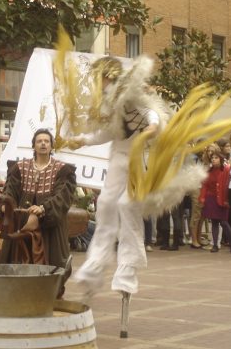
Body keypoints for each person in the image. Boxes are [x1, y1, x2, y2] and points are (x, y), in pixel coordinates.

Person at [69, 56, 164, 299]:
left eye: (98, 76)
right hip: (119, 156)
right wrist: (85, 141)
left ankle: (128, 269)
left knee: (127, 205)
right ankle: (96, 263)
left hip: (139, 156)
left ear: (107, 75)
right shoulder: (106, 102)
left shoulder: (129, 93)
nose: (96, 81)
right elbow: (110, 132)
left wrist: (153, 126)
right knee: (106, 203)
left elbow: (150, 111)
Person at [1, 129, 76, 296]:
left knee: (51, 259)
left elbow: (63, 195)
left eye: (47, 141)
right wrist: (7, 203)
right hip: (23, 221)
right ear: (33, 145)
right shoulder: (19, 167)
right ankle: (19, 291)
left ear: (51, 146)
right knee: (19, 255)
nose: (43, 143)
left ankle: (49, 293)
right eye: (39, 141)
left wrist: (44, 208)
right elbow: (10, 189)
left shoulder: (63, 170)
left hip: (49, 224)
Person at [199, 152, 231, 253]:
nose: (213, 160)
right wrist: (202, 198)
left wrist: (227, 199)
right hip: (211, 199)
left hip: (222, 199)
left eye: (216, 158)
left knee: (224, 222)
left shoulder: (226, 170)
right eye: (212, 158)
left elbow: (228, 185)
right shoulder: (209, 171)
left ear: (221, 159)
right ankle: (215, 245)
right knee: (214, 222)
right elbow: (205, 186)